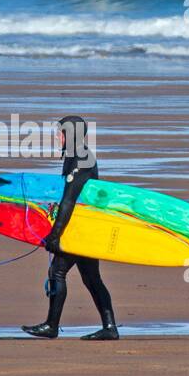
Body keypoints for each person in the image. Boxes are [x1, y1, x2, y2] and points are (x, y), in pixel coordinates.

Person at [21, 115, 120, 340]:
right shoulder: (77, 156)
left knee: (57, 271)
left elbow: (69, 201)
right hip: (84, 226)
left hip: (80, 229)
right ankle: (110, 327)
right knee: (92, 278)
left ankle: (51, 326)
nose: (58, 137)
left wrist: (54, 236)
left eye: (61, 133)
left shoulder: (80, 159)